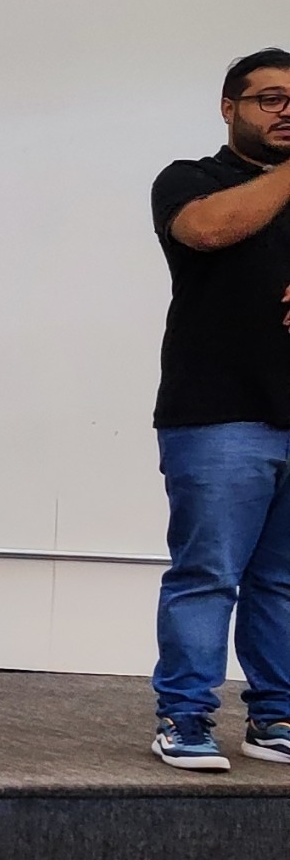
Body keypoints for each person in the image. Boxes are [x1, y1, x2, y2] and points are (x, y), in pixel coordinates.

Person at [144, 49, 290, 771]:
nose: (287, 111)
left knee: (283, 581)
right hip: (220, 415)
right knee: (206, 574)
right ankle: (185, 716)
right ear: (229, 107)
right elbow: (209, 230)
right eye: (271, 98)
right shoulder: (190, 179)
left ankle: (276, 715)